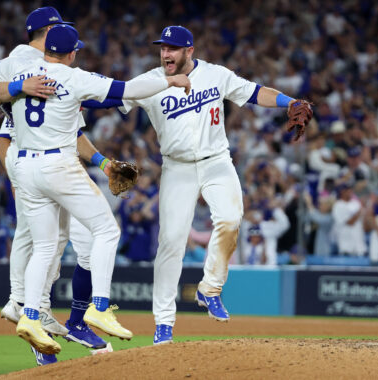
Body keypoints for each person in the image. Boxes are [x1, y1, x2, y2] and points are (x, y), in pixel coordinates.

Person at [83, 25, 311, 344]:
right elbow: (113, 96)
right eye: (163, 48)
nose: (166, 54)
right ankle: (163, 324)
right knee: (171, 242)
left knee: (231, 219)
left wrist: (289, 101)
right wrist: (76, 97)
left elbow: (254, 92)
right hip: (177, 168)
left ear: (190, 51)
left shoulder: (215, 75)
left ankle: (209, 288)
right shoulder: (152, 81)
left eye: (173, 48)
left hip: (216, 160)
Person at [0, 24, 190, 354]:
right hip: (58, 164)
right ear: (70, 53)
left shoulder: (23, 72)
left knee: (43, 246)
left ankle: (29, 317)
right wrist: (171, 79)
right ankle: (98, 306)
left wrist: (14, 85)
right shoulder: (74, 77)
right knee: (107, 230)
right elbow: (128, 89)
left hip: (24, 166)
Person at [0, 6, 108, 364]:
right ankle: (23, 306)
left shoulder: (58, 74)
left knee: (74, 241)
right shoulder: (24, 59)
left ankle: (71, 319)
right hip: (30, 158)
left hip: (58, 161)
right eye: (59, 26)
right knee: (38, 240)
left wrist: (103, 163)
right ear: (48, 31)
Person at [331, 183, 367, 256]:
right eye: (347, 190)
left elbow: (363, 222)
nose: (350, 192)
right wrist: (359, 211)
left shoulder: (356, 203)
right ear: (342, 192)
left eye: (350, 190)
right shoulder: (338, 205)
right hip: (345, 246)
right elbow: (350, 222)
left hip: (358, 245)